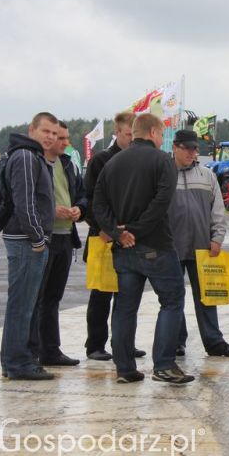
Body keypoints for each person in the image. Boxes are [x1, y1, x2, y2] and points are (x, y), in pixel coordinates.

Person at [93, 113, 193, 384]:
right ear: (152, 133)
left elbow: (98, 204)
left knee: (125, 307)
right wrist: (134, 231)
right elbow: (161, 202)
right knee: (172, 300)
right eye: (161, 135)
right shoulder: (162, 161)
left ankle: (124, 368)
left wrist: (118, 232)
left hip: (124, 250)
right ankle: (164, 364)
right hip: (156, 245)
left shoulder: (112, 162)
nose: (162, 140)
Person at [170, 129, 229, 358]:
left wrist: (217, 238)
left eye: (195, 149)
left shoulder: (207, 176)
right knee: (173, 297)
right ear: (175, 147)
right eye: (187, 148)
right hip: (171, 247)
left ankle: (214, 342)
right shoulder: (164, 175)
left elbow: (218, 211)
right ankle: (176, 341)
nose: (192, 153)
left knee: (208, 297)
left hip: (203, 247)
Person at [0, 112, 58, 380]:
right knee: (21, 305)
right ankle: (17, 362)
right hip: (25, 242)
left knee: (25, 304)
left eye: (54, 134)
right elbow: (25, 203)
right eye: (45, 131)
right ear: (31, 129)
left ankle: (18, 359)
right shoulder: (25, 157)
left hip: (28, 241)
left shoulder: (33, 156)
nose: (50, 137)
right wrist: (38, 238)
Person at [83, 112, 145, 361]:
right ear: (117, 133)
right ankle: (95, 344)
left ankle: (124, 343)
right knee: (101, 294)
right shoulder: (100, 161)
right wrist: (104, 228)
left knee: (128, 295)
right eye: (128, 134)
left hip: (130, 237)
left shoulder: (140, 161)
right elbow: (89, 198)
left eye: (135, 135)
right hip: (104, 237)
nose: (132, 139)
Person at [27, 121, 86, 367]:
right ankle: (32, 352)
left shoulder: (68, 164)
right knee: (36, 298)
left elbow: (83, 195)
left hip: (64, 237)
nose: (64, 142)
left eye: (65, 137)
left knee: (53, 297)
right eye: (60, 137)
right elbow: (27, 200)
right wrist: (52, 212)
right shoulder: (35, 163)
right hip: (44, 237)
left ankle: (51, 350)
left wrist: (78, 209)